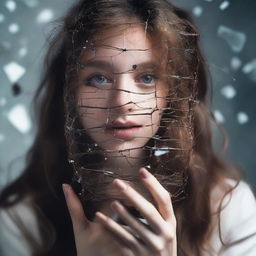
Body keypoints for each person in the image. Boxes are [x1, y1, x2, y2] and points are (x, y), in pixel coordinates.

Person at [0, 0, 256, 255]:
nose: (122, 103)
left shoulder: (229, 209)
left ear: (174, 92)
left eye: (147, 77)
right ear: (69, 93)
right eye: (98, 78)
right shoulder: (21, 220)